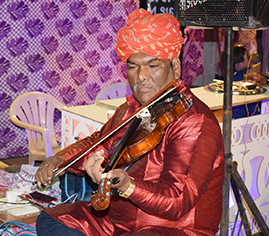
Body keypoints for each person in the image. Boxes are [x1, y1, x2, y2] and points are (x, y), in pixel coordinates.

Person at [35, 9, 225, 236]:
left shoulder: (193, 122)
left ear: (175, 66)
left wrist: (128, 186)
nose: (141, 76)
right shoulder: (133, 108)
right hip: (118, 220)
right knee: (51, 221)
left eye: (153, 66)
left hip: (172, 228)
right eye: (133, 66)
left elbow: (177, 200)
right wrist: (61, 158)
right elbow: (100, 142)